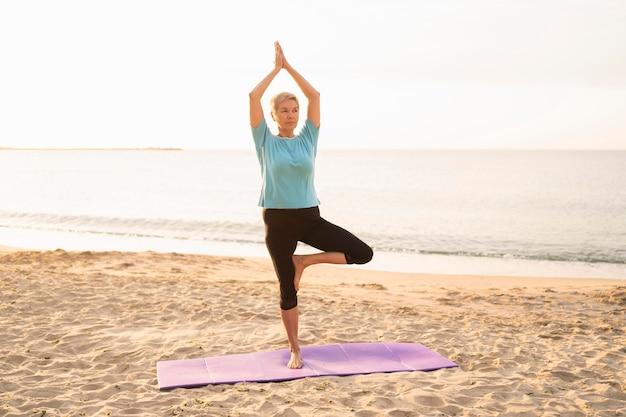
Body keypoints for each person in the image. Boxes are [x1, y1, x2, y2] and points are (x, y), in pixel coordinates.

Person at [249, 41, 374, 369]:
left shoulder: (308, 138)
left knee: (363, 253)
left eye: (294, 110)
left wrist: (290, 68)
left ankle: (305, 261)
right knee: (287, 291)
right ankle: (295, 349)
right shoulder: (264, 140)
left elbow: (315, 96)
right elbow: (252, 98)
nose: (291, 115)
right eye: (285, 110)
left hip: (309, 217)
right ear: (274, 116)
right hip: (277, 221)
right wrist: (275, 72)